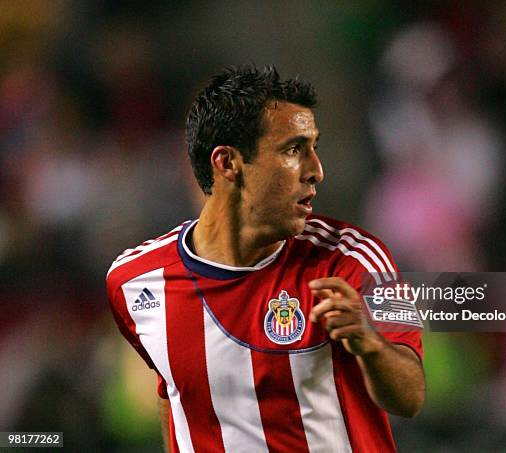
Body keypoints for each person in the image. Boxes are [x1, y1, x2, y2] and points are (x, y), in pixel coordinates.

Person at [106, 65, 425, 453]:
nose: (316, 171)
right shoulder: (133, 280)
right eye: (293, 149)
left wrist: (371, 344)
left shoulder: (356, 258)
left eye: (314, 148)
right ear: (227, 163)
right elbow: (171, 391)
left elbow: (410, 397)